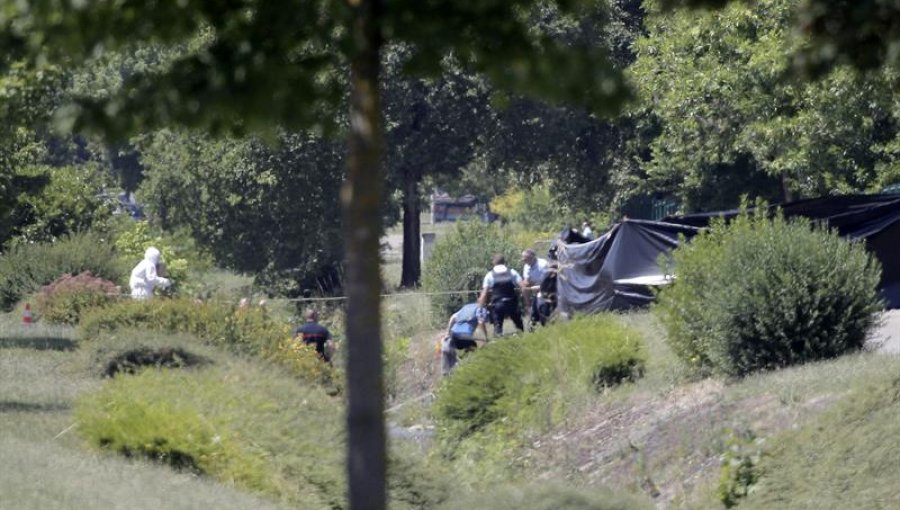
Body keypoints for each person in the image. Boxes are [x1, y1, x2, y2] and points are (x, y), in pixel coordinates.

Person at [479, 254, 525, 336]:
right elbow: (523, 286)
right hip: (512, 303)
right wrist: (524, 298)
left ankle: (499, 340)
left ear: (493, 263)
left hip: (498, 305)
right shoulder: (512, 272)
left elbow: (484, 294)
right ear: (504, 262)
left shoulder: (489, 275)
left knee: (498, 328)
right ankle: (523, 337)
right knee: (519, 326)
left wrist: (481, 307)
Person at [440, 302, 489, 375]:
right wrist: (485, 337)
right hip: (465, 335)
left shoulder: (467, 307)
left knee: (468, 346)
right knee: (473, 348)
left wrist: (448, 333)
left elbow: (453, 317)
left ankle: (457, 363)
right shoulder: (482, 309)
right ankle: (468, 369)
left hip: (454, 334)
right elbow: (481, 322)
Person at [520, 248, 550, 327]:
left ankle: (547, 325)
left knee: (542, 307)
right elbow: (526, 282)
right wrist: (527, 303)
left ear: (532, 257)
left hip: (547, 291)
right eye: (523, 259)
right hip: (536, 291)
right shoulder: (526, 266)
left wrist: (530, 289)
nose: (524, 261)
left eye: (526, 259)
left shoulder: (543, 264)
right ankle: (533, 325)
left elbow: (546, 284)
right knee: (533, 315)